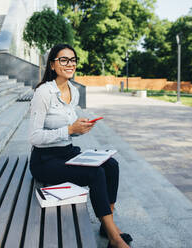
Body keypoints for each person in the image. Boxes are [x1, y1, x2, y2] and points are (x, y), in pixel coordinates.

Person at [28, 44, 132, 248]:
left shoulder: (73, 91)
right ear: (52, 65)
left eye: (73, 60)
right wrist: (69, 129)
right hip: (45, 160)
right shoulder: (43, 93)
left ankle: (107, 224)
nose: (70, 64)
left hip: (67, 152)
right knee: (95, 174)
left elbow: (70, 123)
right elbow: (34, 136)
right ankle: (113, 237)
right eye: (63, 60)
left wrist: (80, 126)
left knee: (112, 166)